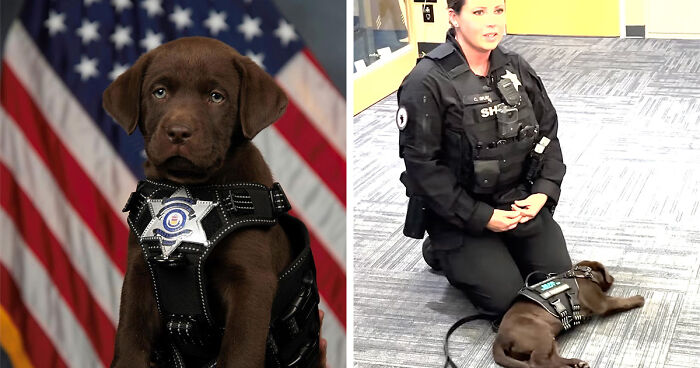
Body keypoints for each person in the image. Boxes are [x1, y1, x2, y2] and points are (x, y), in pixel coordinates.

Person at [397, 0, 572, 319]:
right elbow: (423, 170)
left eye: (498, 11)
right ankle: (441, 251)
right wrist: (480, 216)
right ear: (454, 17)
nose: (492, 22)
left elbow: (547, 133)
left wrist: (542, 192)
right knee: (511, 302)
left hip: (515, 201)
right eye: (478, 12)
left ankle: (499, 251)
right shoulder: (426, 81)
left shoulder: (515, 66)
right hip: (460, 212)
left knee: (561, 284)